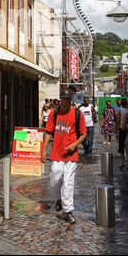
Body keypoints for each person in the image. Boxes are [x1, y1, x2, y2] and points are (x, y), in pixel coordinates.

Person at [40, 89, 87, 224]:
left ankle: (68, 211)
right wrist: (44, 150)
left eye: (68, 99)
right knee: (55, 178)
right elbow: (48, 132)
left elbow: (84, 134)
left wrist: (74, 144)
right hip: (57, 153)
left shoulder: (77, 114)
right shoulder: (55, 113)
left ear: (71, 99)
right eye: (64, 99)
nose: (66, 101)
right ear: (61, 99)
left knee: (68, 182)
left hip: (71, 155)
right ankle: (59, 198)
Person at [116, 98, 128, 168]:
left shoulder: (119, 111)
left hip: (121, 129)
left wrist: (116, 132)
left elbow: (118, 122)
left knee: (121, 145)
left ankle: (123, 161)